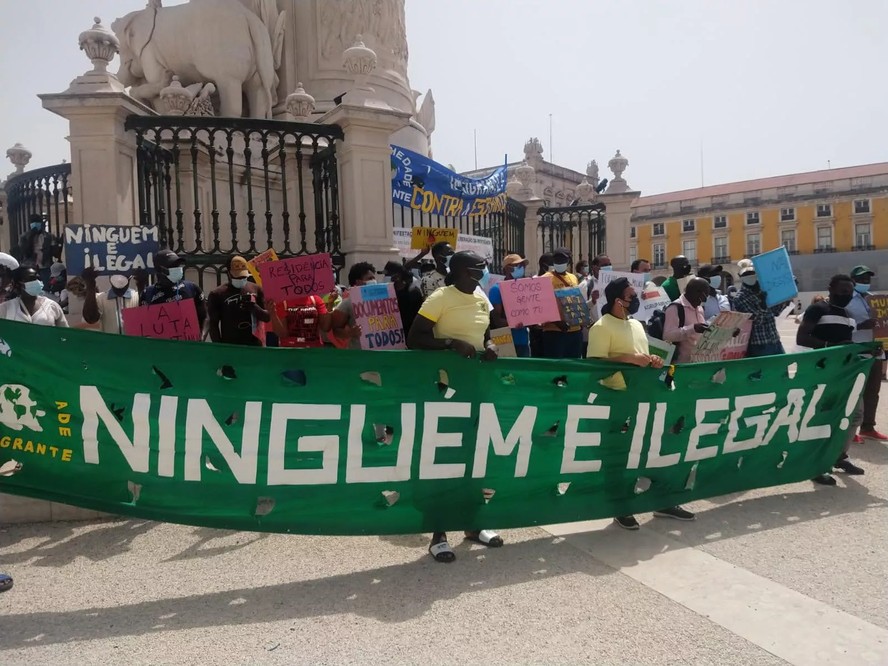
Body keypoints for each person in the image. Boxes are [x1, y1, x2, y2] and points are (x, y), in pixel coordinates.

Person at [407, 251, 502, 562]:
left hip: (475, 385)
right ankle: (439, 533)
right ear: (462, 270)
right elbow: (415, 338)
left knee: (474, 453)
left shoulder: (481, 296)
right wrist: (450, 344)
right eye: (479, 268)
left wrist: (488, 346)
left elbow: (485, 333)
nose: (484, 272)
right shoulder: (439, 298)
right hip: (443, 386)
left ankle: (473, 525)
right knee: (444, 455)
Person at [586, 277, 695, 527]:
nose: (634, 299)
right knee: (620, 456)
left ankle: (661, 501)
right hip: (616, 401)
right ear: (617, 301)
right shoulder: (601, 327)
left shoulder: (636, 324)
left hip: (643, 398)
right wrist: (629, 359)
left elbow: (643, 357)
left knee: (654, 449)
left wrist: (652, 361)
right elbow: (594, 368)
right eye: (630, 296)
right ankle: (620, 505)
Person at [797, 274, 867, 484]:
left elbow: (848, 343)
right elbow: (803, 337)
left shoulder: (848, 315)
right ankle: (816, 466)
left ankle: (839, 456)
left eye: (849, 291)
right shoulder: (818, 309)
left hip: (846, 373)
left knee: (855, 416)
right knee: (823, 419)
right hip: (823, 373)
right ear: (831, 288)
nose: (846, 295)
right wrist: (831, 348)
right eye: (842, 290)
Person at [845, 265, 886, 441]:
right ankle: (849, 429)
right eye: (861, 279)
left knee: (873, 390)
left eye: (867, 279)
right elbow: (840, 325)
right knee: (854, 391)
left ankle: (868, 427)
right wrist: (861, 325)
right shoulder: (846, 300)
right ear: (852, 280)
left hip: (876, 349)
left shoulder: (874, 299)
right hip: (856, 350)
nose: (865, 282)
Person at [207, 256, 271, 346]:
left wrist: (254, 307)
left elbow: (267, 317)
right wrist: (219, 348)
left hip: (255, 344)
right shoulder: (217, 294)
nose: (241, 279)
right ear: (229, 273)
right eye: (238, 277)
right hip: (231, 345)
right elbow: (213, 324)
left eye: (243, 277)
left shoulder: (256, 289)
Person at [140, 249, 208, 330]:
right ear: (159, 269)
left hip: (188, 341)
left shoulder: (192, 288)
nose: (177, 268)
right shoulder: (147, 293)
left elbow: (205, 318)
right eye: (172, 266)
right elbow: (143, 325)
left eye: (178, 265)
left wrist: (200, 337)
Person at [732, 259, 786, 357]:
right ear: (740, 277)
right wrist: (763, 305)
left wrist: (783, 294)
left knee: (781, 371)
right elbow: (756, 320)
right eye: (745, 274)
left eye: (752, 273)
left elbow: (777, 311)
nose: (749, 276)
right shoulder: (740, 297)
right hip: (758, 345)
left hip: (775, 340)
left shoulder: (764, 290)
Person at [541, 248, 584, 359]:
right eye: (557, 259)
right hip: (555, 332)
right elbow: (542, 306)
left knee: (573, 366)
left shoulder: (573, 278)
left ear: (568, 261)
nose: (560, 262)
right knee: (557, 368)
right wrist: (558, 322)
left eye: (563, 259)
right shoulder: (544, 279)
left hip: (575, 331)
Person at [489, 253, 531, 357]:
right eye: (517, 266)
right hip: (505, 341)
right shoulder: (496, 289)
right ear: (506, 269)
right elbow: (497, 321)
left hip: (524, 341)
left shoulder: (527, 288)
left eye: (523, 266)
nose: (521, 268)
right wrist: (514, 323)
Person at [0, 265, 68, 327]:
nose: (37, 281)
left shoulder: (51, 306)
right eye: (32, 279)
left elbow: (65, 334)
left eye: (38, 278)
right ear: (18, 284)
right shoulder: (5, 308)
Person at [331, 262, 379, 348]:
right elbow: (335, 330)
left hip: (381, 353)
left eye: (373, 278)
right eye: (369, 278)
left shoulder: (382, 300)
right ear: (358, 281)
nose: (373, 281)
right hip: (359, 354)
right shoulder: (348, 303)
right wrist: (350, 333)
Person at [662, 278, 711, 363]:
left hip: (699, 363)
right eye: (704, 295)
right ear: (695, 292)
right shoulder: (675, 308)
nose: (705, 300)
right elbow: (667, 336)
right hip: (681, 365)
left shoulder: (699, 308)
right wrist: (693, 329)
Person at [81, 268, 141, 334]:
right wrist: (90, 285)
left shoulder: (138, 297)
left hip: (134, 344)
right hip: (110, 343)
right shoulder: (100, 299)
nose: (119, 278)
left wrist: (141, 286)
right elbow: (91, 319)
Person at [383, 261, 424, 334]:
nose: (385, 278)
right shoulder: (388, 292)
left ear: (397, 276)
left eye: (388, 275)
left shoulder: (413, 293)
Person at [15, 214, 57, 285]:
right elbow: (22, 250)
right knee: (30, 287)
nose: (35, 224)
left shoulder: (48, 236)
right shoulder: (24, 237)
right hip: (29, 265)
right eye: (33, 222)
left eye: (37, 222)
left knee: (45, 287)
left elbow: (54, 250)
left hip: (45, 265)